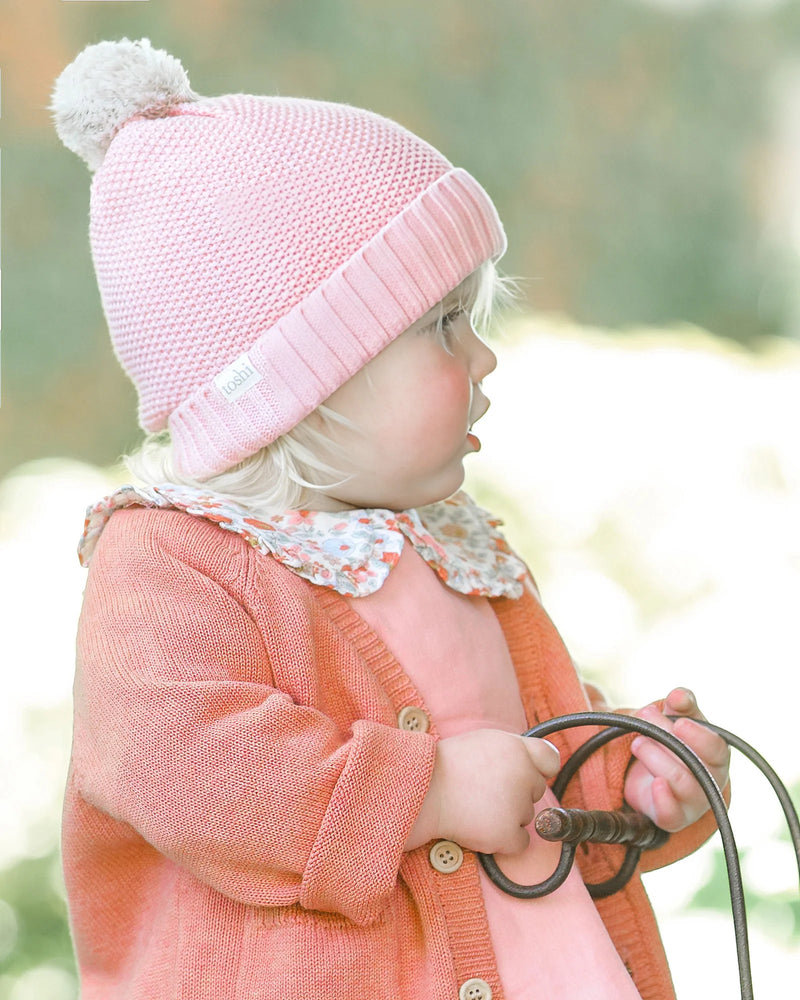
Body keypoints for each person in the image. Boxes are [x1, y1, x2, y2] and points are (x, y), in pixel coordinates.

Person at [53, 38, 730, 1000]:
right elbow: (188, 767)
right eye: (444, 327)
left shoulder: (454, 546)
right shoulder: (170, 558)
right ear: (303, 380)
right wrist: (432, 794)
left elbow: (531, 767)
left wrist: (625, 784)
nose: (484, 359)